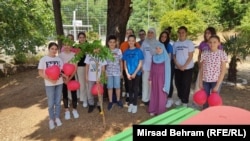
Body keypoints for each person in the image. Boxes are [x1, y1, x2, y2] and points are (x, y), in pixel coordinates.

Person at [38, 42, 65, 130]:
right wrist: (50, 80)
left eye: (55, 49)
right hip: (49, 84)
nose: (54, 50)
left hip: (59, 83)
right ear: (49, 49)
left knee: (57, 101)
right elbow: (40, 72)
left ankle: (57, 117)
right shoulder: (43, 59)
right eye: (52, 49)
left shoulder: (59, 59)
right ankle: (51, 119)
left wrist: (58, 78)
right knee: (50, 103)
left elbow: (61, 71)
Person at [198, 35, 227, 109]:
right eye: (210, 42)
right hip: (205, 81)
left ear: (219, 43)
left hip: (216, 81)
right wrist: (200, 82)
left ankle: (213, 115)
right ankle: (205, 114)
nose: (212, 44)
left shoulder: (222, 54)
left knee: (214, 100)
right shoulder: (204, 53)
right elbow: (202, 69)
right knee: (205, 99)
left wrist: (217, 85)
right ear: (207, 43)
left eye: (214, 42)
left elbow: (223, 71)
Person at [173, 26, 194, 107]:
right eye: (179, 32)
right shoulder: (175, 43)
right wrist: (178, 65)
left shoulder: (189, 43)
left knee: (186, 84)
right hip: (177, 67)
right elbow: (174, 56)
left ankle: (185, 101)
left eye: (183, 32)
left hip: (187, 68)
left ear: (186, 33)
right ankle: (179, 97)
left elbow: (191, 55)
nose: (181, 34)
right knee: (178, 84)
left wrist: (184, 66)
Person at [122, 34, 144, 113]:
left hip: (136, 73)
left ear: (135, 41)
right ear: (128, 42)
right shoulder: (126, 52)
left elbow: (140, 63)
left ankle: (135, 104)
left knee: (135, 89)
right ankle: (130, 103)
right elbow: (125, 63)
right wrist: (127, 73)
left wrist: (135, 73)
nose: (131, 42)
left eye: (132, 40)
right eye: (129, 40)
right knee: (130, 89)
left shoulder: (138, 51)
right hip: (129, 73)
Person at [148, 42, 171, 116]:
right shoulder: (154, 57)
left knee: (161, 94)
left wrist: (166, 82)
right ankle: (153, 109)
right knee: (154, 93)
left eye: (160, 48)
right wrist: (150, 78)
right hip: (154, 78)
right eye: (157, 48)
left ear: (163, 49)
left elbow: (168, 71)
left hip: (162, 79)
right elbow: (151, 68)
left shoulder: (166, 57)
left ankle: (160, 110)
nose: (158, 49)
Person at [58, 43, 79, 120]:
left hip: (71, 76)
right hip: (63, 76)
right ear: (63, 46)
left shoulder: (74, 55)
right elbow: (59, 68)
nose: (67, 46)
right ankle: (66, 110)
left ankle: (74, 109)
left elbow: (75, 68)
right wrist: (64, 78)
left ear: (71, 46)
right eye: (65, 45)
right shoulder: (60, 55)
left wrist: (69, 79)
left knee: (74, 93)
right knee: (65, 94)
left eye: (69, 45)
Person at [120, 29, 140, 103]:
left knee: (135, 84)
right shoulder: (123, 44)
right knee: (127, 82)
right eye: (127, 33)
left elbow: (139, 57)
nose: (128, 34)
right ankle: (128, 94)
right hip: (126, 67)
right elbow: (122, 56)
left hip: (135, 68)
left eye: (130, 33)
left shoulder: (137, 45)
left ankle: (134, 98)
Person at [140, 27, 160, 106]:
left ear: (154, 34)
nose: (150, 34)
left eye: (152, 32)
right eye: (149, 32)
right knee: (145, 83)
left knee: (152, 84)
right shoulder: (144, 43)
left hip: (154, 67)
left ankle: (152, 98)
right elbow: (141, 55)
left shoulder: (157, 43)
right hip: (145, 67)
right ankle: (145, 99)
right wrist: (141, 66)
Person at [106, 35, 123, 111]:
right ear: (108, 43)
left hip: (117, 72)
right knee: (110, 87)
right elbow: (104, 63)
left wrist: (121, 72)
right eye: (110, 42)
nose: (112, 44)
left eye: (113, 42)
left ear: (116, 43)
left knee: (117, 87)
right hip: (108, 73)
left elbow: (121, 62)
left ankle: (118, 100)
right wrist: (104, 73)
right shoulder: (106, 51)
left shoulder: (118, 51)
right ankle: (110, 101)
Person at [158, 31, 175, 108]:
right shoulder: (158, 45)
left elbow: (168, 58)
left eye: (165, 37)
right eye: (162, 36)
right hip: (160, 66)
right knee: (162, 82)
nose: (163, 38)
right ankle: (163, 98)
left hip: (168, 66)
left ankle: (169, 98)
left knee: (169, 81)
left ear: (167, 38)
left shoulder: (169, 46)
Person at [76, 32, 88, 108]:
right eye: (80, 37)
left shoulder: (89, 46)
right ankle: (84, 99)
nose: (82, 39)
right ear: (78, 39)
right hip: (80, 67)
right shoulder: (76, 47)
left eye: (83, 37)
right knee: (82, 84)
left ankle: (88, 98)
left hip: (88, 67)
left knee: (87, 83)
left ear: (85, 38)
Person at [137, 29, 146, 98]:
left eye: (143, 34)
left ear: (145, 35)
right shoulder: (137, 43)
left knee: (145, 80)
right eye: (140, 34)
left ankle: (145, 93)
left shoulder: (148, 42)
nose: (141, 36)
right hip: (139, 63)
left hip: (147, 64)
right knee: (139, 80)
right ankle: (140, 93)